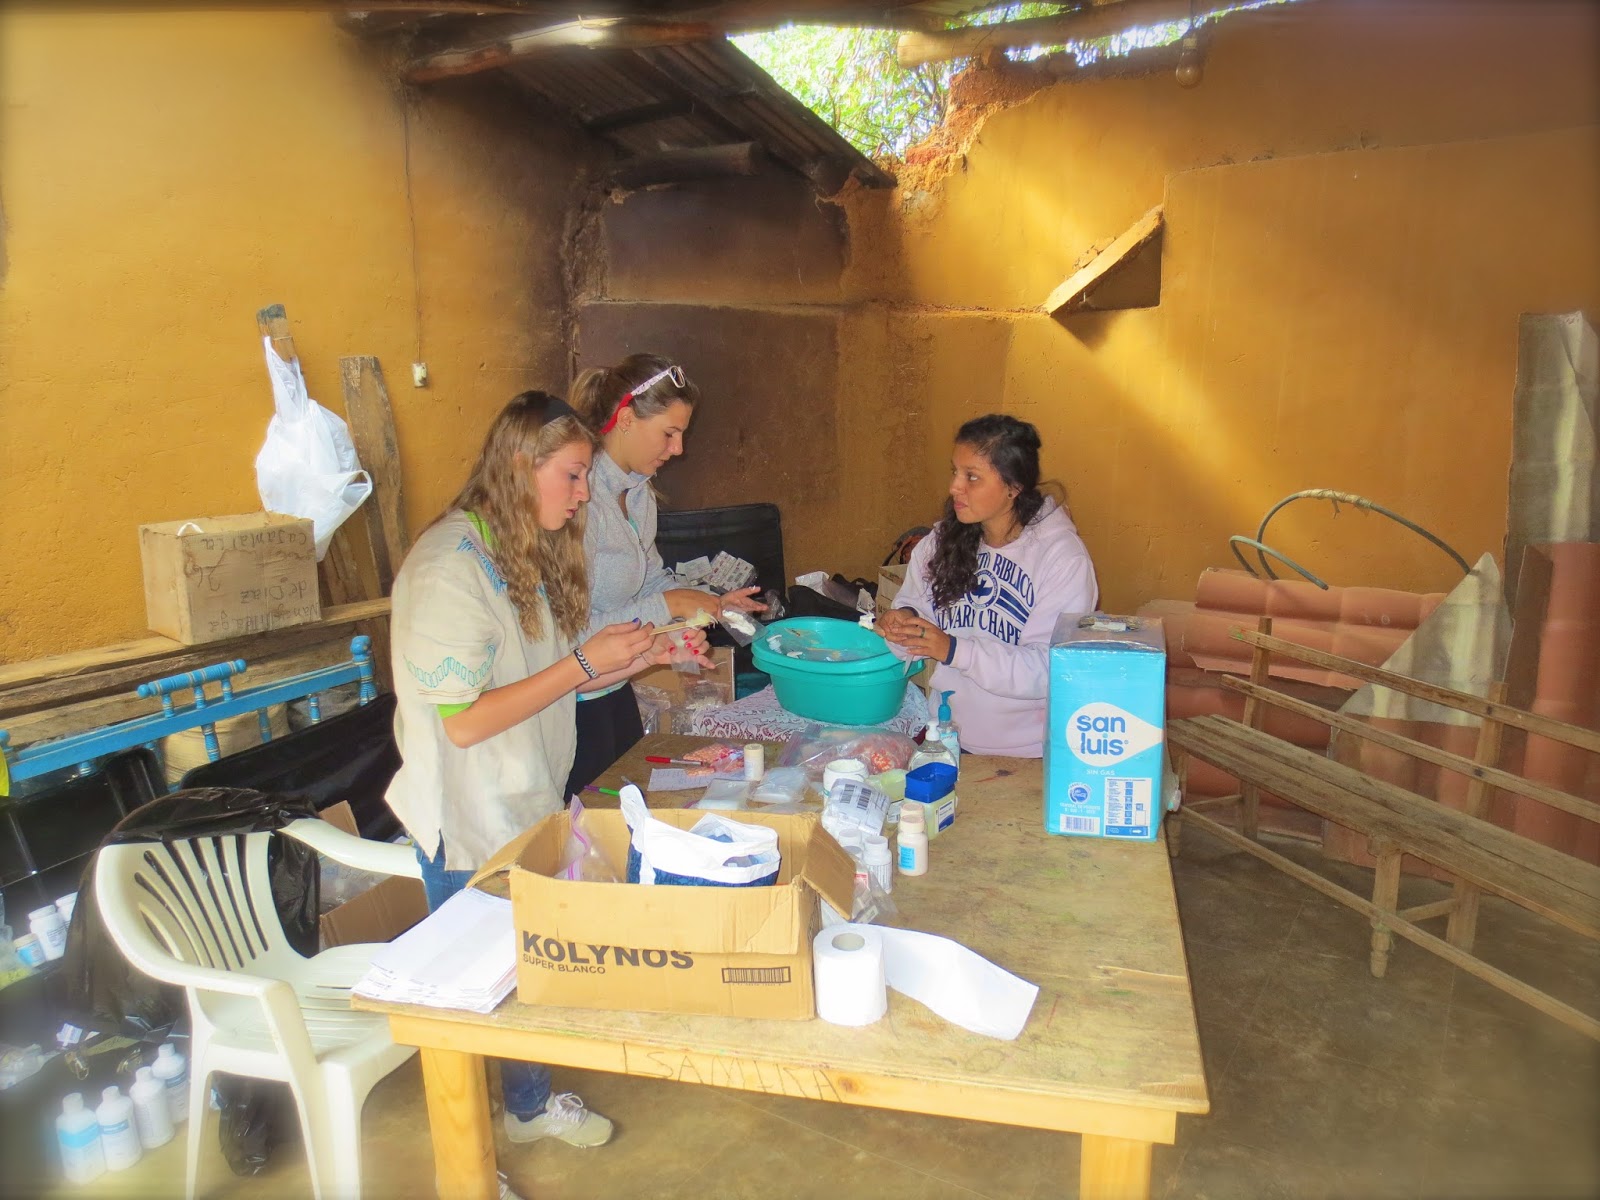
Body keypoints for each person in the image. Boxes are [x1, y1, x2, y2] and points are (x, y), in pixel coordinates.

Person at [384, 391, 708, 1152]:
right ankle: (466, 1163)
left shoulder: (526, 549)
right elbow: (465, 722)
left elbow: (562, 682)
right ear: (520, 466)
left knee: (524, 969)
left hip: (524, 796)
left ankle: (527, 1110)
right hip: (466, 816)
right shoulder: (447, 569)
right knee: (467, 1001)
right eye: (572, 475)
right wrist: (583, 663)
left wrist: (642, 655)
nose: (584, 493)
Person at [564, 354, 765, 795]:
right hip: (571, 704)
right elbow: (568, 633)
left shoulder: (638, 493)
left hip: (614, 687)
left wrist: (703, 608)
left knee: (627, 803)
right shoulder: (578, 501)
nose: (678, 450)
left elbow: (652, 578)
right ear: (626, 419)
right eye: (669, 433)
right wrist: (669, 605)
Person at [878, 413, 1098, 757]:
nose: (955, 487)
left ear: (1014, 486)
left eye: (972, 477)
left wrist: (954, 650)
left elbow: (1050, 669)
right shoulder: (940, 543)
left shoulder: (1062, 559)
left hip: (1028, 754)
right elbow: (916, 605)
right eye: (955, 472)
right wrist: (903, 620)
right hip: (948, 736)